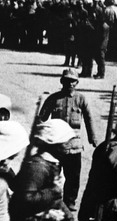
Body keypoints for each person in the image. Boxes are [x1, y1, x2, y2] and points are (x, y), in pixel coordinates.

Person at [39, 68, 97, 211]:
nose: (70, 84)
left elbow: (89, 118)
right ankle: (51, 199)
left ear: (77, 83)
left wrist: (92, 137)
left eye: (73, 81)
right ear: (62, 81)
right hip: (56, 144)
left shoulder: (81, 99)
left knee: (73, 176)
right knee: (52, 174)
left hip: (74, 145)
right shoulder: (53, 99)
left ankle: (69, 201)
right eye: (67, 81)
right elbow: (42, 119)